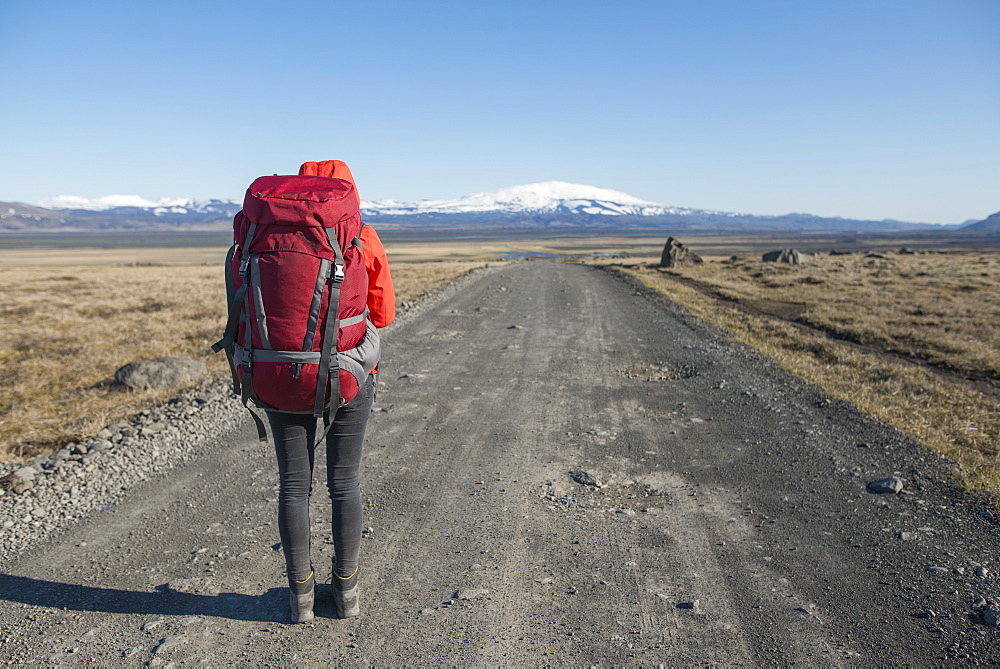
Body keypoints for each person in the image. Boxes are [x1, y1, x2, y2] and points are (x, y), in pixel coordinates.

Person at [267, 160, 395, 622]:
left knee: (293, 485)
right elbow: (383, 312)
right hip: (348, 374)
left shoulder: (262, 235)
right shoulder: (360, 234)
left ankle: (300, 597)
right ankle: (347, 592)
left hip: (277, 373)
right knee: (344, 484)